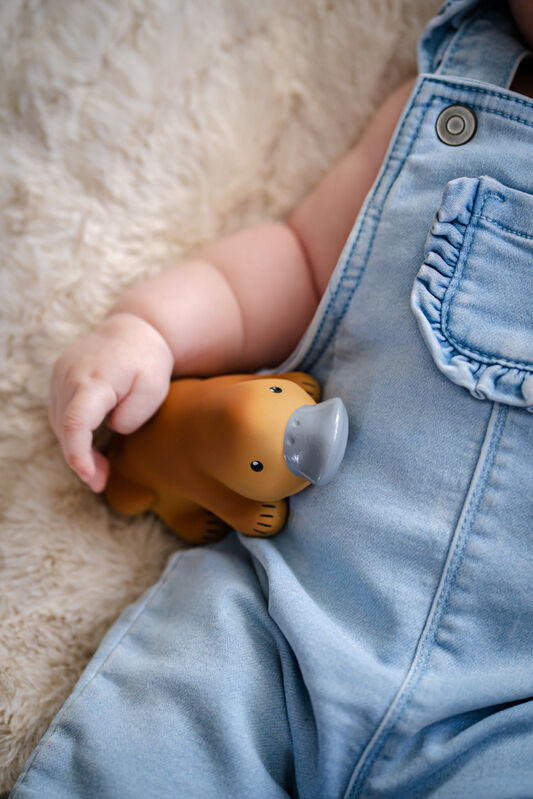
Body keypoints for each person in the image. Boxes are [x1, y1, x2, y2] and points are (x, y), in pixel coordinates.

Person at [11, 1, 533, 797]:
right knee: (145, 754)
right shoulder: (448, 100)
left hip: (508, 705)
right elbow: (296, 260)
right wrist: (147, 328)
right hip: (277, 616)